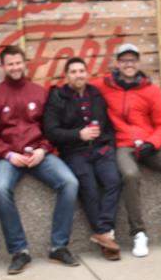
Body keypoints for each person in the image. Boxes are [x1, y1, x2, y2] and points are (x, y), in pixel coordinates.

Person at [0, 44, 80, 274]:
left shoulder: (40, 92)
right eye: (10, 64)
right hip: (9, 157)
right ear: (3, 67)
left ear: (24, 63)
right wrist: (8, 154)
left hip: (39, 153)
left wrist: (43, 150)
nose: (15, 67)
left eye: (18, 63)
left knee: (70, 183)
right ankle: (20, 251)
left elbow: (49, 128)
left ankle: (59, 246)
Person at [92, 43, 161, 257]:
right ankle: (138, 233)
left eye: (133, 60)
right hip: (123, 145)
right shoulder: (105, 85)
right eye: (124, 60)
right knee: (129, 175)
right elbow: (79, 84)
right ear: (117, 63)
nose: (129, 64)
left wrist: (152, 143)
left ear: (138, 63)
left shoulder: (150, 89)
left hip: (150, 144)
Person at [44, 57, 122, 261]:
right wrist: (78, 135)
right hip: (74, 151)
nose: (78, 75)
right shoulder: (58, 97)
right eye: (74, 71)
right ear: (66, 76)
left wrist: (110, 147)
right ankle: (107, 240)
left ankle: (103, 232)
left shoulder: (96, 94)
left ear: (87, 74)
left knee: (113, 181)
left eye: (81, 71)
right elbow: (51, 132)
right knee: (88, 188)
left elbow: (108, 127)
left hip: (101, 150)